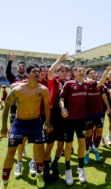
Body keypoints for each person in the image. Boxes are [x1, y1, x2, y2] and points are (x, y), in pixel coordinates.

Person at [0, 64, 52, 189]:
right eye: (34, 71)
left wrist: (48, 122)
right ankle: (4, 181)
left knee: (39, 149)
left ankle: (39, 174)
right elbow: (6, 107)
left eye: (38, 71)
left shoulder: (44, 89)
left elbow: (47, 106)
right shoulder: (18, 89)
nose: (37, 73)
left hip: (35, 123)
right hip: (19, 123)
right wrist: (3, 126)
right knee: (11, 150)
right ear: (27, 74)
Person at [59, 66, 90, 186]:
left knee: (82, 143)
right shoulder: (69, 84)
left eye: (83, 71)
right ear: (74, 73)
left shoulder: (87, 84)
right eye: (79, 71)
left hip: (81, 119)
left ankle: (81, 168)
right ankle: (68, 169)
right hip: (69, 120)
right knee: (69, 144)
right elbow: (61, 99)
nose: (82, 72)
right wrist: (62, 108)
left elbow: (101, 84)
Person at [43, 54, 70, 183]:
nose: (64, 73)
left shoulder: (70, 83)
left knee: (61, 144)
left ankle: (55, 163)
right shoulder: (54, 82)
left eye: (66, 71)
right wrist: (59, 59)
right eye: (61, 71)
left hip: (65, 118)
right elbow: (49, 72)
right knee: (50, 143)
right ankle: (46, 168)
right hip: (53, 116)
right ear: (58, 73)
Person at [5, 54, 32, 175]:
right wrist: (10, 62)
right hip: (14, 107)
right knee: (13, 129)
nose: (21, 67)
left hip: (26, 106)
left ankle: (23, 149)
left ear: (25, 69)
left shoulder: (29, 78)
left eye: (23, 66)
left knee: (25, 131)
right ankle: (12, 147)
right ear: (17, 68)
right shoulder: (13, 79)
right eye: (20, 66)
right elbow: (7, 71)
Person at [84, 67, 111, 164]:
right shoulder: (84, 83)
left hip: (99, 112)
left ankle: (96, 149)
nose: (93, 74)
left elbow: (103, 95)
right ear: (87, 75)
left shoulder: (98, 84)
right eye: (91, 73)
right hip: (88, 114)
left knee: (99, 132)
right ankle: (86, 152)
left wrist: (108, 107)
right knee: (88, 134)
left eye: (94, 73)